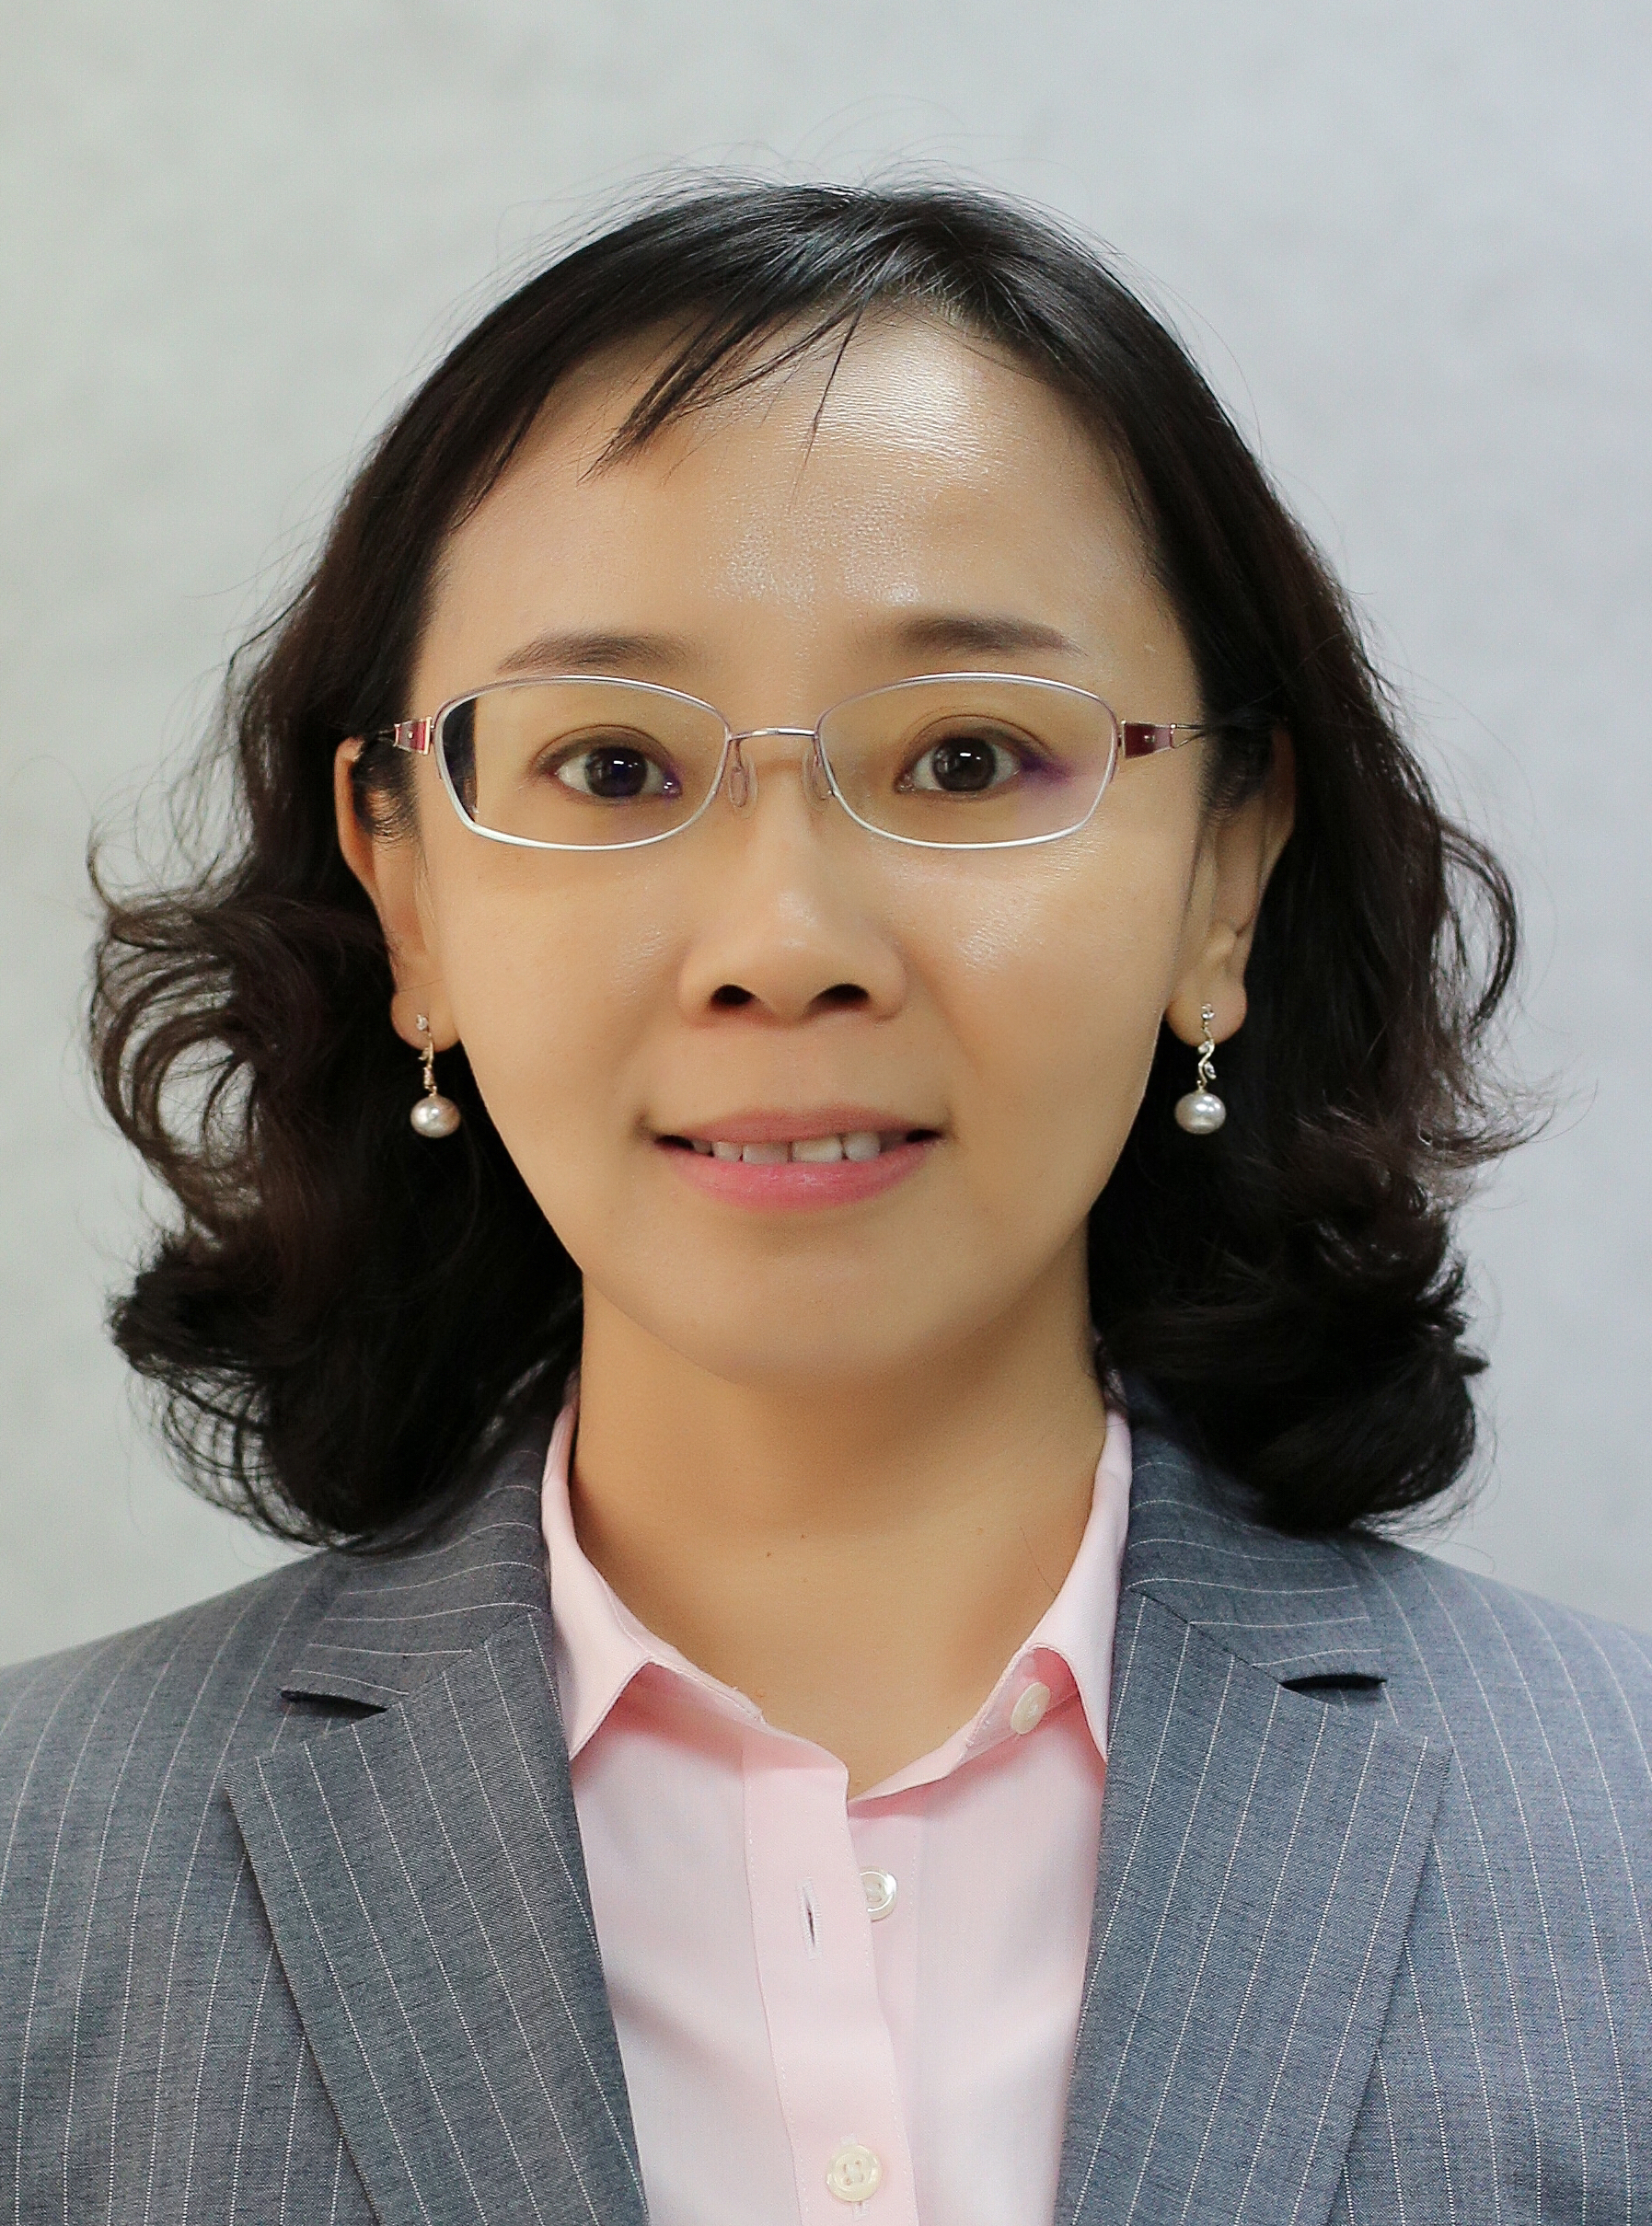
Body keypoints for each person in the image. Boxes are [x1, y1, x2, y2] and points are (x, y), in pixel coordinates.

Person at [2, 181, 1646, 2226]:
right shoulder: (38, 1872)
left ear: (1224, 872)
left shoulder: (1618, 1847)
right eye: (612, 767)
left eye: (965, 758)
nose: (782, 946)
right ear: (403, 891)